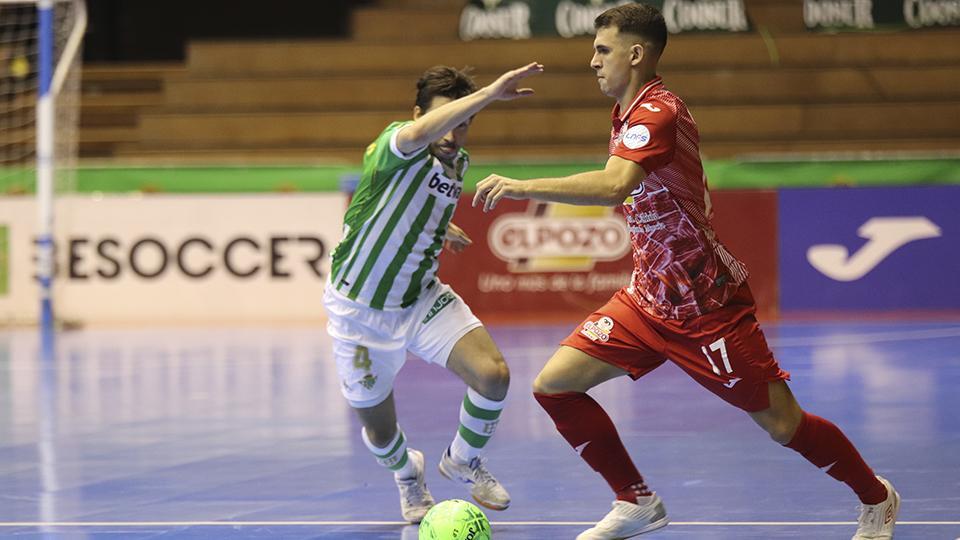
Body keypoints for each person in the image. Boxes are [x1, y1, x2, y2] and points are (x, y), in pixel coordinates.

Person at [473, 5, 899, 540]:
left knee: (782, 425)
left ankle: (877, 497)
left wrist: (520, 185)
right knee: (554, 386)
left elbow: (613, 186)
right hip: (647, 300)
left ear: (636, 53)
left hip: (706, 309)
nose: (593, 61)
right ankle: (636, 501)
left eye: (602, 50)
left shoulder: (659, 112)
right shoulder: (627, 113)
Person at [323, 62, 543, 523]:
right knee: (381, 434)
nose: (454, 132)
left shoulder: (458, 163)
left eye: (464, 123)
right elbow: (418, 138)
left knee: (494, 375)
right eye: (447, 119)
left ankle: (462, 458)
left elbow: (414, 204)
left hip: (420, 298)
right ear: (419, 114)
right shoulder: (397, 143)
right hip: (358, 314)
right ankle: (408, 474)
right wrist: (489, 94)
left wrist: (442, 227)